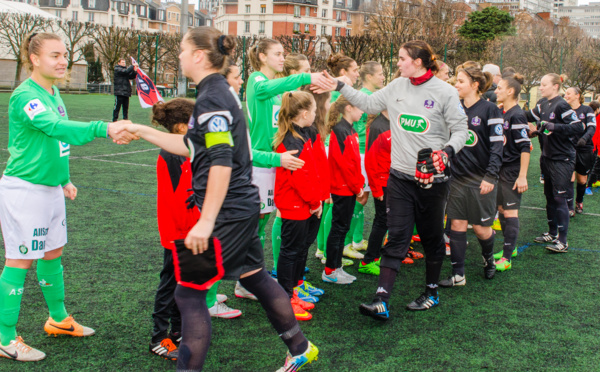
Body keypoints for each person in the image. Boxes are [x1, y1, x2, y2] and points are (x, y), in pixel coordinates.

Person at [122, 26, 318, 371]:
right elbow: (192, 146)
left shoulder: (213, 97)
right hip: (241, 206)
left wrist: (206, 220)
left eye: (183, 50)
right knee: (256, 276)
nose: (180, 56)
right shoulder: (213, 93)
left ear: (198, 55)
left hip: (227, 211)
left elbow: (220, 162)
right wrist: (142, 131)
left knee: (188, 293)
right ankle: (299, 347)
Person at [0, 32, 135, 362]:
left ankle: (58, 320)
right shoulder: (25, 96)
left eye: (64, 55)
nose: (63, 61)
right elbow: (54, 127)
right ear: (34, 59)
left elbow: (55, 140)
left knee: (53, 251)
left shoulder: (53, 91)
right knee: (20, 260)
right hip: (25, 189)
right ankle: (4, 337)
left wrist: (64, 179)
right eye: (54, 55)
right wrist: (104, 128)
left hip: (49, 188)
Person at [316, 40, 468, 319]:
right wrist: (339, 86)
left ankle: (431, 292)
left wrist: (446, 152)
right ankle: (381, 299)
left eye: (401, 58)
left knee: (432, 237)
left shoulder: (445, 92)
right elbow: (368, 102)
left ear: (419, 62)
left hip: (432, 180)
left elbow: (461, 129)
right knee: (396, 236)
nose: (397, 63)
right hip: (398, 178)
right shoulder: (397, 86)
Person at [245, 39, 327, 254]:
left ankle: (262, 276)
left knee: (270, 221)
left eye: (283, 54)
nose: (282, 58)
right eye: (277, 54)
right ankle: (246, 283)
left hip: (278, 161)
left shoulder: (277, 90)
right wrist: (305, 76)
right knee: (256, 225)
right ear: (262, 57)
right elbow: (265, 88)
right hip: (260, 164)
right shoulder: (256, 79)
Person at [440, 65, 504, 287]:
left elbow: (497, 148)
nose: (456, 85)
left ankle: (488, 260)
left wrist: (491, 176)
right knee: (457, 224)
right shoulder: (455, 109)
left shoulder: (490, 110)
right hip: (457, 179)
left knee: (480, 228)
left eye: (460, 81)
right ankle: (458, 275)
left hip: (481, 181)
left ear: (475, 85)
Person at [273, 91, 322, 321]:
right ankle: (285, 299)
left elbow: (309, 172)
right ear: (304, 114)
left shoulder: (301, 135)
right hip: (295, 204)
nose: (316, 114)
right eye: (313, 110)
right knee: (290, 252)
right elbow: (299, 177)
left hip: (303, 204)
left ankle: (293, 291)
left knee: (299, 248)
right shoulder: (292, 140)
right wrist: (314, 202)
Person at [527, 74, 584, 253]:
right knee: (550, 196)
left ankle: (563, 241)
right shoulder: (543, 104)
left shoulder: (561, 104)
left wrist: (553, 127)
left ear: (555, 86)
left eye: (544, 85)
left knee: (559, 197)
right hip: (547, 157)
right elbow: (527, 115)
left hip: (563, 159)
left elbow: (578, 127)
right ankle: (552, 233)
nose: (541, 88)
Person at [341, 61, 385, 261]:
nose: (383, 77)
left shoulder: (370, 96)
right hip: (361, 152)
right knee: (358, 198)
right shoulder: (365, 97)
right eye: (380, 74)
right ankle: (346, 242)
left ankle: (356, 239)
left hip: (364, 152)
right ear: (370, 77)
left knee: (362, 198)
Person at [322, 96, 365, 285]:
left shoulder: (350, 129)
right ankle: (330, 270)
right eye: (360, 107)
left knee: (342, 228)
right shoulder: (339, 130)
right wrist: (357, 187)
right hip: (342, 188)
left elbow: (354, 162)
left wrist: (359, 182)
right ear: (349, 108)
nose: (363, 111)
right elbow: (343, 164)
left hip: (350, 187)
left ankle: (336, 267)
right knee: (338, 229)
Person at [491, 73, 531, 272]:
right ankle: (511, 248)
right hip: (500, 169)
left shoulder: (516, 114)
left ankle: (507, 257)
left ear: (510, 91)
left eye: (499, 88)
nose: (496, 90)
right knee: (500, 209)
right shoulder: (502, 112)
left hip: (512, 171)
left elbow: (525, 147)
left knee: (510, 211)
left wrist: (522, 175)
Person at [359, 111, 391, 276]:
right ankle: (368, 261)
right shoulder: (379, 125)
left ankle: (377, 256)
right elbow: (371, 159)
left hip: (392, 180)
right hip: (382, 182)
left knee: (386, 220)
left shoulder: (392, 121)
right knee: (381, 220)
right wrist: (376, 187)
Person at [563, 87, 596, 214]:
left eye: (568, 93)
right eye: (565, 94)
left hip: (584, 149)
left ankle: (579, 201)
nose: (566, 96)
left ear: (577, 95)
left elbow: (592, 127)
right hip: (569, 148)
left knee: (582, 180)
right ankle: (570, 207)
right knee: (570, 178)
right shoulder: (565, 110)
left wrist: (584, 138)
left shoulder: (587, 110)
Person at [113, 57, 138, 122]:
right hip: (119, 91)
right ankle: (115, 119)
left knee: (125, 107)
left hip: (126, 92)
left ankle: (125, 119)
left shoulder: (125, 70)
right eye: (122, 62)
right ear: (119, 63)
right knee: (117, 107)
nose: (124, 64)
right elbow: (126, 71)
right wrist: (133, 65)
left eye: (124, 62)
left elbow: (131, 76)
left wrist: (135, 71)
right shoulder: (117, 69)